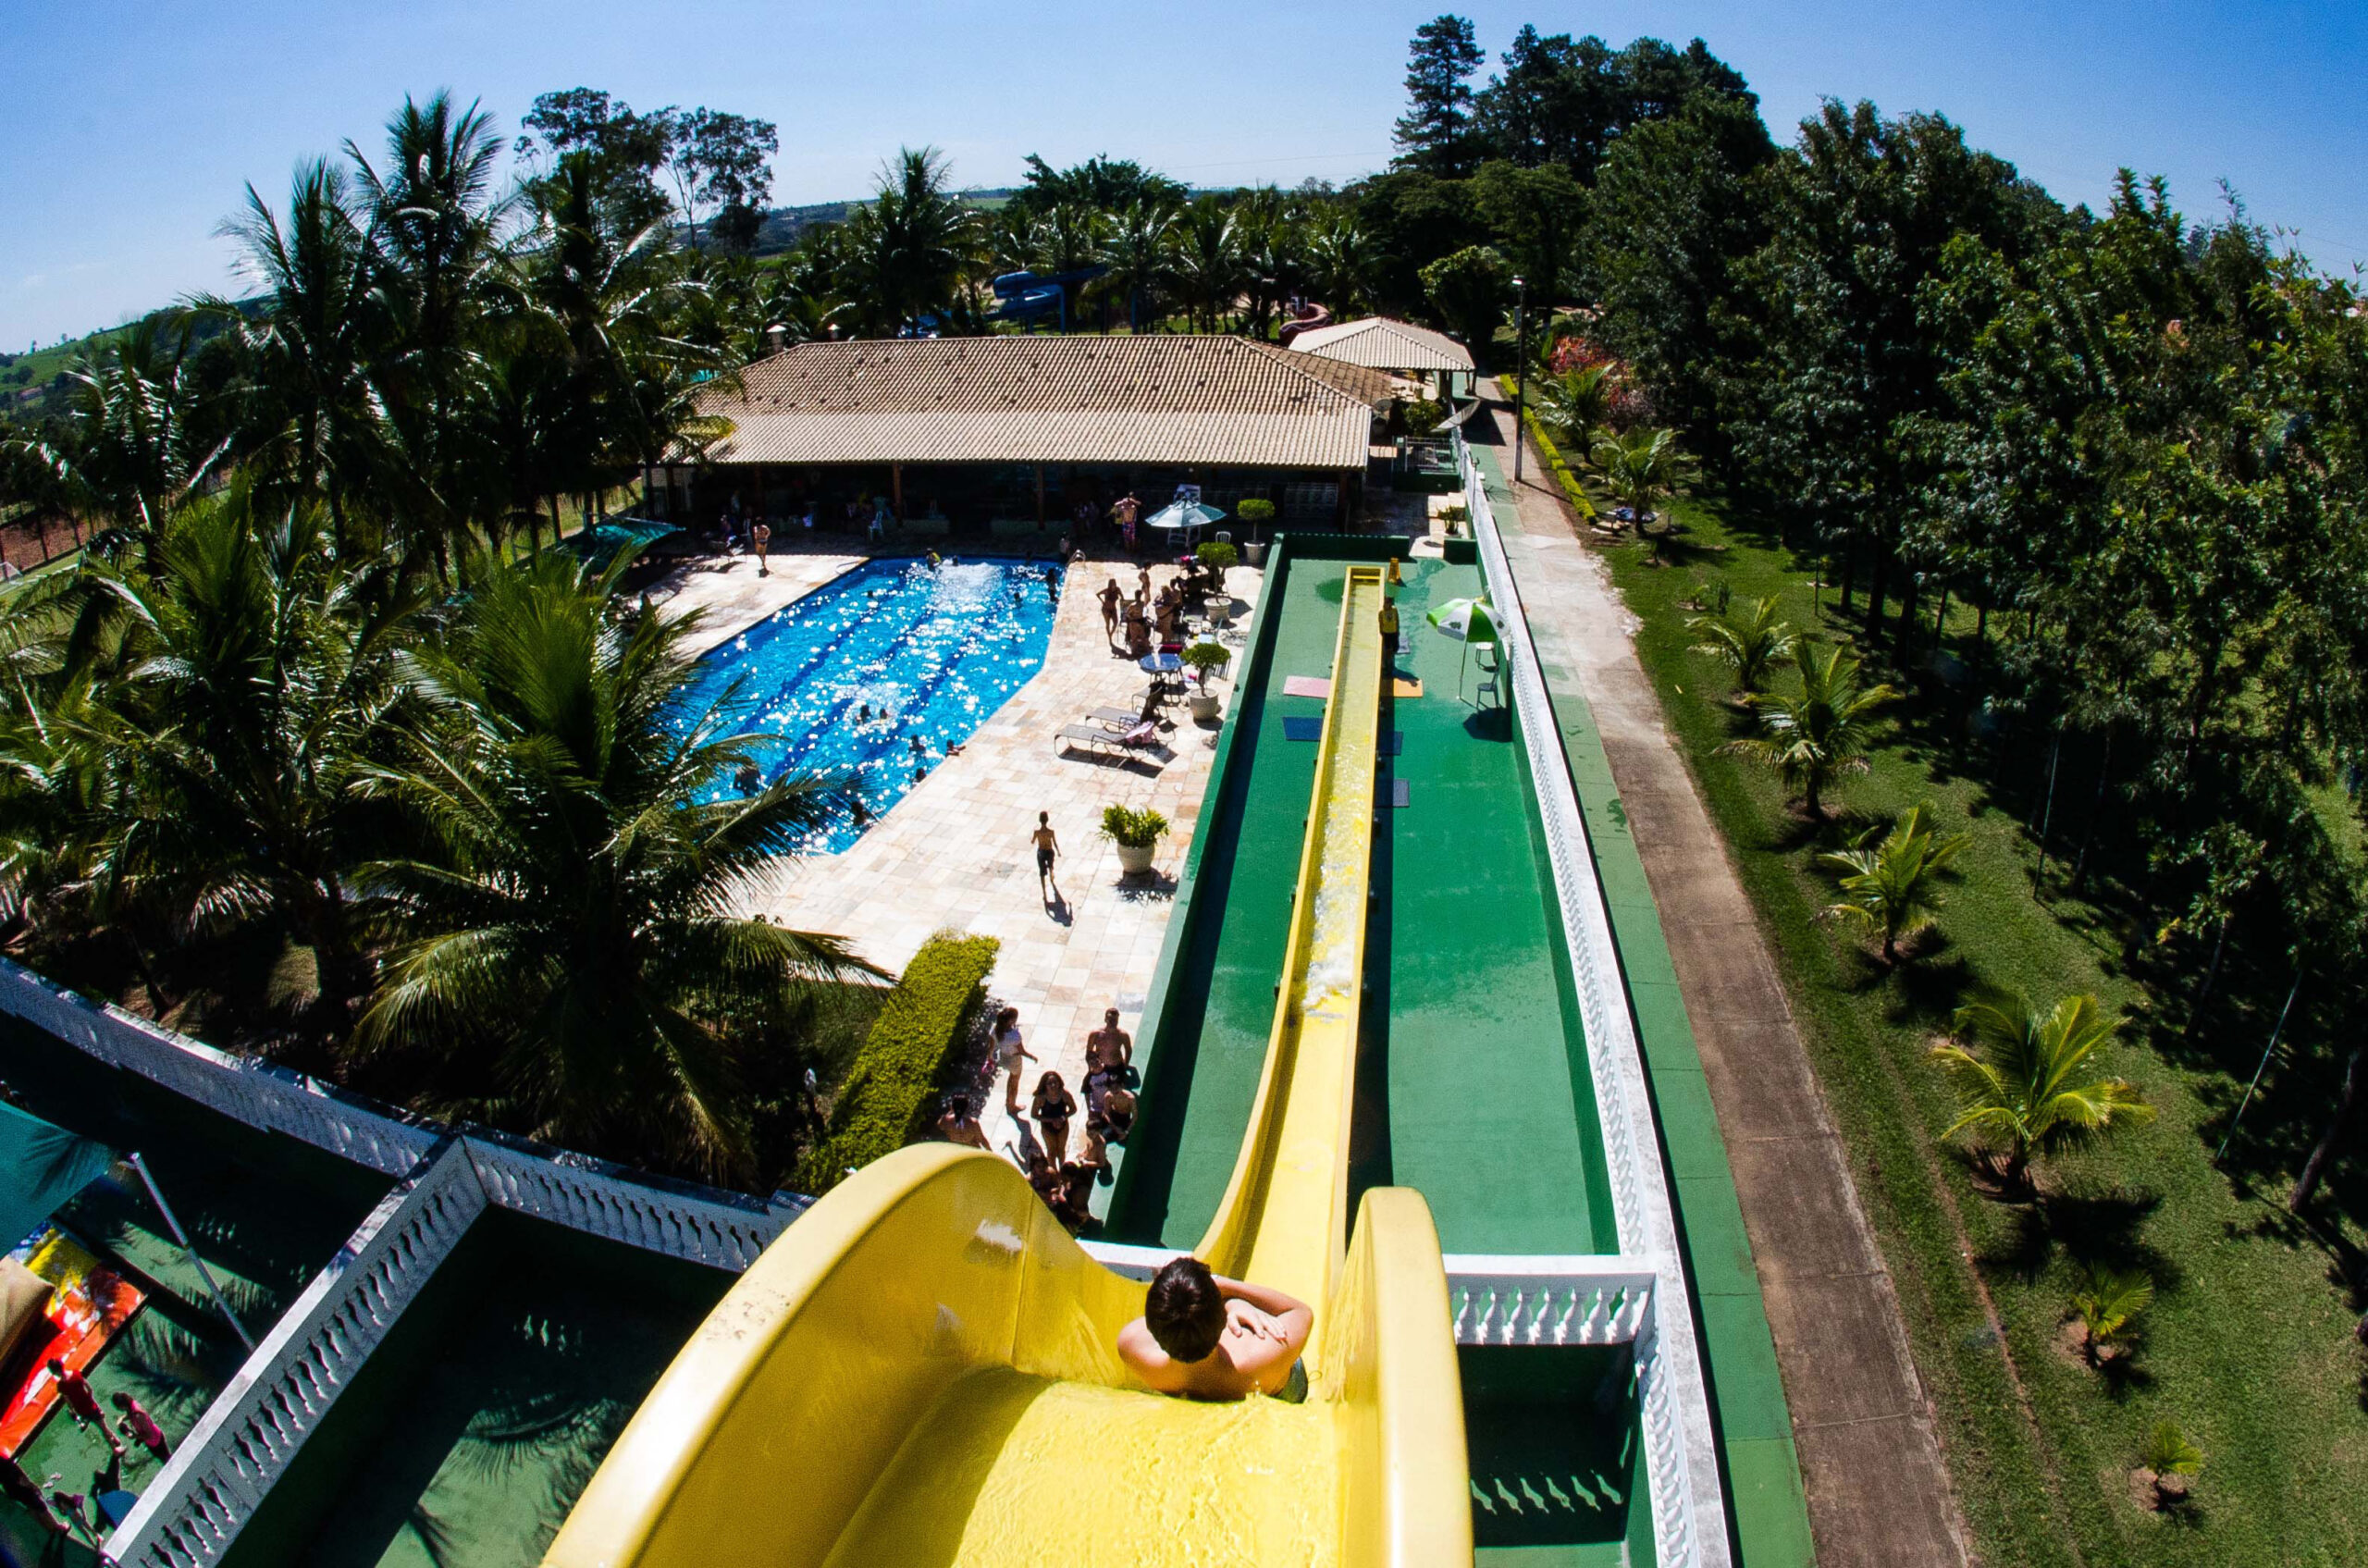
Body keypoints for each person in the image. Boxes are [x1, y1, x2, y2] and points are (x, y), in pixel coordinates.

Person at [1118, 1257, 1313, 1401]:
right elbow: (1301, 1311)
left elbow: (1164, 1318)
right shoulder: (1257, 1353)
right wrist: (1231, 1295)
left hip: (1183, 1387)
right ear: (1222, 1321)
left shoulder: (1131, 1346)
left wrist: (1228, 1305)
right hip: (1276, 1390)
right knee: (1260, 1322)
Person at [46, 1360, 121, 1456]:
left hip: (81, 1410)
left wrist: (73, 1412)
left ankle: (114, 1440)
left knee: (102, 1426)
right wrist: (90, 1400)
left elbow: (69, 1402)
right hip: (90, 1405)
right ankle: (114, 1448)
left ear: (55, 1372)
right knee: (102, 1426)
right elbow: (89, 1389)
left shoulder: (61, 1386)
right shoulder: (76, 1373)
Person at [0, 1452, 65, 1536]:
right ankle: (55, 1527)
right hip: (20, 1487)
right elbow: (17, 1476)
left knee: (31, 1508)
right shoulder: (5, 1462)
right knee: (40, 1507)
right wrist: (31, 1485)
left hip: (10, 1490)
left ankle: (45, 1530)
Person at [992, 1007, 1036, 1115]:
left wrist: (990, 1058)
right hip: (1014, 1060)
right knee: (1014, 1083)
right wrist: (1032, 1057)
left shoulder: (995, 1030)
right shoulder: (1014, 1036)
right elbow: (1022, 1051)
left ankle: (1008, 1101)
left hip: (1004, 1057)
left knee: (1011, 1079)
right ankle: (1012, 1106)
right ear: (1011, 1020)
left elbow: (991, 1047)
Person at [1030, 1070, 1077, 1166]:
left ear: (1059, 1083)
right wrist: (1052, 1121)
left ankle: (1062, 1169)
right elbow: (1034, 1115)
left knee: (1061, 1150)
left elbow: (1073, 1109)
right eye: (1049, 1083)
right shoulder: (1041, 1098)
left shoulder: (1064, 1094)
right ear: (1045, 1085)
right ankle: (1053, 1172)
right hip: (1047, 1128)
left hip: (1063, 1127)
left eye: (1055, 1082)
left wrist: (1062, 1118)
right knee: (1051, 1152)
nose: (1053, 1085)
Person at [111, 1391, 169, 1460]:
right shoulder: (131, 1405)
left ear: (122, 1406)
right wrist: (122, 1418)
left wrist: (134, 1436)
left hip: (156, 1441)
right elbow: (130, 1414)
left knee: (166, 1459)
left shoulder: (138, 1415)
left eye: (118, 1407)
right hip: (150, 1438)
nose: (118, 1409)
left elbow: (149, 1435)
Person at [1086, 1007, 1133, 1076]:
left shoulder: (1122, 1035)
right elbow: (1089, 1052)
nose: (1112, 1022)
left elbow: (1128, 1050)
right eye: (1110, 1020)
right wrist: (1091, 1068)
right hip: (1100, 1067)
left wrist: (1125, 1066)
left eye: (1115, 1020)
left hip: (1116, 1066)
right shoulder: (1095, 1034)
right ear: (1105, 1019)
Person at [1031, 811, 1060, 901]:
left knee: (1042, 873)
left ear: (1040, 820)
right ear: (1047, 820)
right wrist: (1058, 851)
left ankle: (1044, 893)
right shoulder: (1051, 832)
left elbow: (1032, 842)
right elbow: (1054, 843)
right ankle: (1051, 871)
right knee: (1051, 864)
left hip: (1041, 852)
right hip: (1049, 851)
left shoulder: (1037, 832)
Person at [1099, 577, 1124, 646]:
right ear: (1110, 585)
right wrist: (1102, 601)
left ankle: (1111, 634)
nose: (1114, 586)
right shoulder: (1106, 591)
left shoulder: (1117, 590)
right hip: (1106, 610)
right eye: (1112, 584)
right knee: (1108, 624)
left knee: (1115, 623)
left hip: (1113, 609)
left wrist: (1122, 600)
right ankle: (1109, 638)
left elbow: (1122, 597)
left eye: (1114, 584)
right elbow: (1098, 594)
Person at [1378, 593, 1400, 670]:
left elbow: (1397, 620)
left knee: (1395, 647)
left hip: (1394, 632)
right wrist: (1381, 632)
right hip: (1386, 633)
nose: (1387, 604)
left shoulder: (1394, 609)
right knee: (1387, 649)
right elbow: (1380, 623)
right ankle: (1387, 664)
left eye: (1389, 602)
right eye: (1386, 603)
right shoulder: (1381, 612)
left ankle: (1391, 660)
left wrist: (1398, 630)